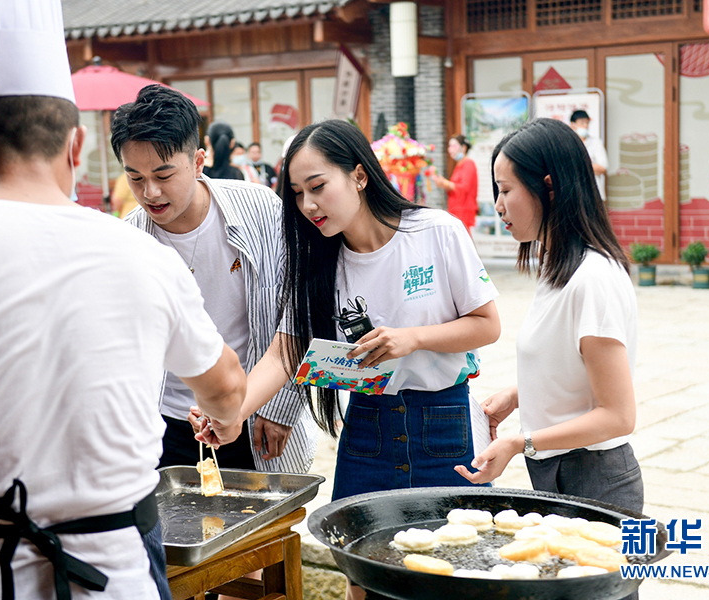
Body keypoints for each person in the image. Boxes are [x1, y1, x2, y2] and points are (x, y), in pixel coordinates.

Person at [0, 1, 246, 599]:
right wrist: (226, 418)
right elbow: (226, 389)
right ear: (75, 148)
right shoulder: (146, 257)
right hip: (116, 574)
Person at [197, 119, 501, 600]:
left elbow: (487, 324)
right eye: (296, 193)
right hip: (368, 428)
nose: (308, 205)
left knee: (454, 567)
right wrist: (231, 414)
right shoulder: (316, 260)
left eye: (317, 186)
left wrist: (413, 339)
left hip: (442, 421)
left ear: (359, 175)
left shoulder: (436, 232)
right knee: (363, 574)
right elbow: (286, 350)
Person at [112, 85, 318, 475]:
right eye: (135, 178)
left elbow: (296, 311)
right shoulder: (129, 241)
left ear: (198, 161)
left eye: (163, 174)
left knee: (261, 528)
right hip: (165, 420)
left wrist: (280, 407)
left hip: (257, 412)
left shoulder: (259, 209)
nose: (150, 192)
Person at [455, 118, 642, 516]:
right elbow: (573, 367)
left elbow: (618, 415)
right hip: (556, 471)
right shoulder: (556, 266)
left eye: (506, 190)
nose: (498, 205)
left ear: (550, 188)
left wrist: (520, 442)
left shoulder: (593, 278)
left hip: (594, 479)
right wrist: (518, 395)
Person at [431, 134, 478, 232]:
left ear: (463, 148)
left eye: (454, 146)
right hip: (455, 208)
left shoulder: (468, 164)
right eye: (449, 146)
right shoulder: (459, 165)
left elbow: (464, 188)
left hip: (463, 208)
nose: (450, 149)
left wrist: (446, 183)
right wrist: (442, 183)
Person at [569, 109, 608, 200]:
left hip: (593, 193)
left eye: (587, 123)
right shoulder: (567, 143)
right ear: (573, 124)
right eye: (582, 123)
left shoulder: (596, 142)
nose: (585, 126)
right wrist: (590, 166)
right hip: (573, 194)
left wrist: (577, 164)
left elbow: (602, 168)